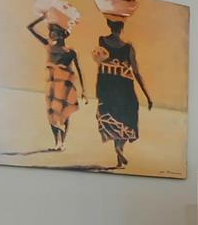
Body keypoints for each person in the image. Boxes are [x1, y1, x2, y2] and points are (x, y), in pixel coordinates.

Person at [93, 17, 154, 169]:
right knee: (126, 118)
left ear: (109, 25)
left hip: (107, 85)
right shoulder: (128, 47)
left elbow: (99, 65)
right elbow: (137, 72)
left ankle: (118, 153)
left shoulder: (102, 41)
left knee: (112, 117)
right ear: (122, 28)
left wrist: (98, 88)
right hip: (125, 87)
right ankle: (120, 148)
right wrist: (148, 96)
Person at [25, 14, 84, 151]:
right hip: (52, 84)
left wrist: (84, 90)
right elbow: (30, 27)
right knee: (51, 112)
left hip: (66, 84)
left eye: (54, 31)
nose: (51, 33)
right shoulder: (48, 45)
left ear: (62, 34)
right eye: (51, 30)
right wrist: (43, 17)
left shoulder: (71, 51)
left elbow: (79, 70)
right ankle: (57, 141)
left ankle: (62, 142)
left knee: (65, 112)